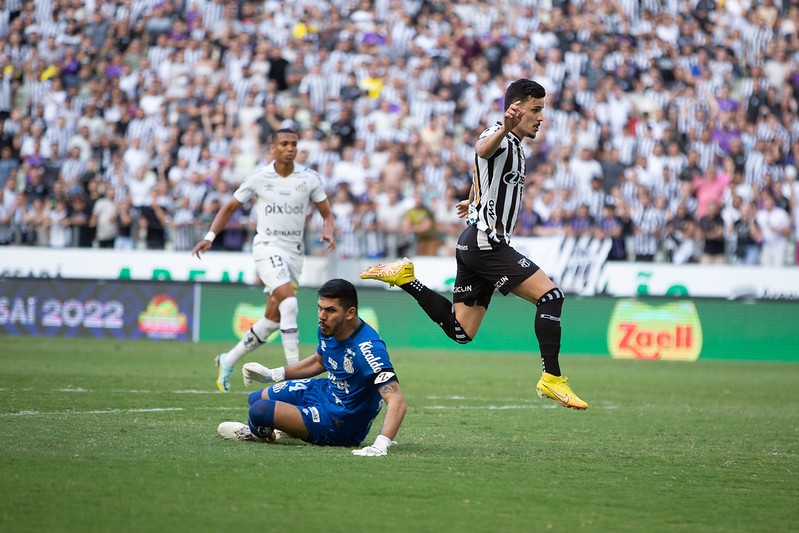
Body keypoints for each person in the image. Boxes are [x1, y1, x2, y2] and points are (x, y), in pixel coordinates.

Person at [360, 79, 588, 410]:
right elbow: (481, 150)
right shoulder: (498, 134)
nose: (541, 117)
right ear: (516, 108)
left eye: (543, 110)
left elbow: (482, 171)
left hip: (474, 242)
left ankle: (406, 278)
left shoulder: (517, 146)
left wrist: (473, 199)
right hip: (487, 243)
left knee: (461, 331)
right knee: (551, 297)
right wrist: (504, 129)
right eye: (536, 110)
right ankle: (551, 377)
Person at [192, 128, 336, 393]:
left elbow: (326, 213)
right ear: (273, 148)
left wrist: (328, 230)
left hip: (294, 252)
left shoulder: (310, 178)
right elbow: (230, 207)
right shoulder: (259, 177)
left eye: (294, 143)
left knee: (272, 320)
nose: (290, 148)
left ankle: (228, 359)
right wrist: (210, 236)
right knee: (290, 305)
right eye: (284, 143)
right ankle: (295, 377)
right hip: (267, 247)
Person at [217, 279, 407, 457]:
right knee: (255, 398)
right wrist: (272, 374)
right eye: (320, 308)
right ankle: (290, 427)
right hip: (324, 391)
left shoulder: (368, 349)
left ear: (350, 313)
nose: (322, 316)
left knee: (259, 411)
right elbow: (319, 361)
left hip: (340, 421)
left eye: (330, 310)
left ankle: (260, 434)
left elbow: (397, 400)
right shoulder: (328, 327)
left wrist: (380, 445)